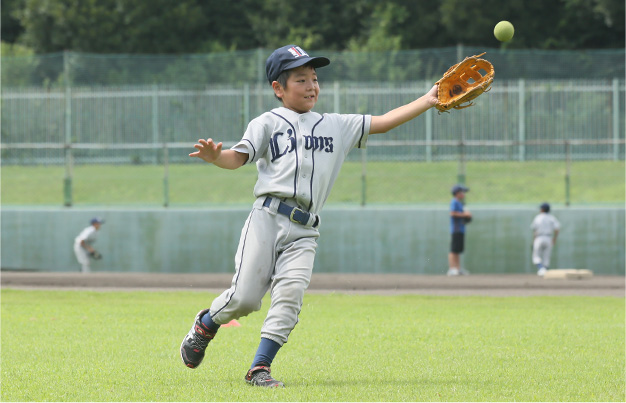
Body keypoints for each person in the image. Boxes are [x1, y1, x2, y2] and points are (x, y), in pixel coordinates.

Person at [179, 44, 439, 388]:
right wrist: (216, 157)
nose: (312, 86)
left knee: (289, 298)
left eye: (314, 78)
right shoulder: (267, 122)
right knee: (244, 298)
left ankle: (260, 368)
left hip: (305, 231)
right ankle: (206, 324)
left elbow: (385, 122)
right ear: (278, 88)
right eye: (300, 79)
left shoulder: (336, 125)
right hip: (267, 219)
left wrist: (429, 99)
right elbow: (237, 158)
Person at [530, 202, 560, 276]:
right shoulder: (552, 218)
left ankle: (541, 268)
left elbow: (534, 229)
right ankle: (544, 270)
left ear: (542, 209)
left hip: (539, 237)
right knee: (546, 256)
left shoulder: (538, 217)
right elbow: (557, 229)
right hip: (548, 237)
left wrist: (534, 240)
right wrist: (554, 239)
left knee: (536, 256)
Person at [448, 184, 471, 276]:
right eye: (462, 192)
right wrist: (465, 215)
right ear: (457, 193)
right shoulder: (454, 201)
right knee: (453, 250)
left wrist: (467, 216)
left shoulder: (459, 203)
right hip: (456, 229)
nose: (464, 194)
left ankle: (457, 268)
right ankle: (452, 268)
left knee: (458, 250)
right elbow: (452, 213)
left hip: (460, 229)